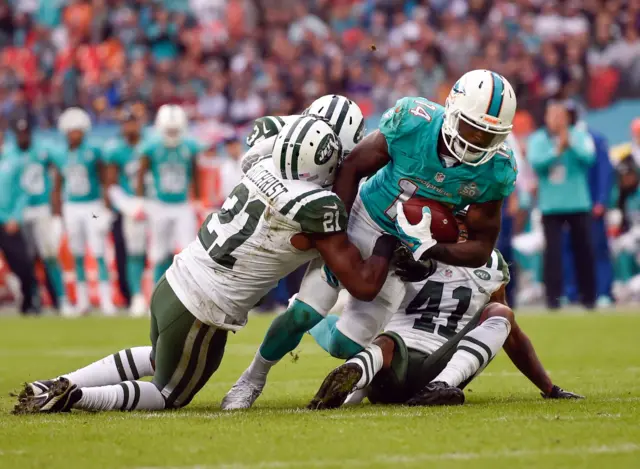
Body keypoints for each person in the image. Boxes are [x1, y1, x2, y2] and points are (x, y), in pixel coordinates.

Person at [13, 116, 400, 414]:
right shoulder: (317, 206)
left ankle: (59, 381)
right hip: (203, 307)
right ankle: (75, 396)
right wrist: (387, 241)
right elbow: (363, 285)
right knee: (169, 394)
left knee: (156, 355)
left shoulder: (259, 168)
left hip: (175, 280)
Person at [222, 70, 519, 410]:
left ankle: (347, 363)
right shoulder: (414, 122)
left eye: (487, 135)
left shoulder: (496, 169)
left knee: (346, 345)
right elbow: (351, 169)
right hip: (364, 217)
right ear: (451, 110)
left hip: (403, 246)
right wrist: (338, 233)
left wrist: (430, 251)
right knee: (306, 312)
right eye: (471, 128)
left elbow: (481, 250)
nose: (476, 141)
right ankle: (253, 378)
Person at [308, 242, 583, 409]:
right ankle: (355, 377)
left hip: (437, 361)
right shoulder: (408, 249)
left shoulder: (491, 262)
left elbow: (508, 331)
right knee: (387, 341)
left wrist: (550, 388)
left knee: (499, 312)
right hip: (395, 365)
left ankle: (364, 376)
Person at [528, 101, 596, 309]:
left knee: (584, 250)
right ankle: (553, 299)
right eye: (553, 116)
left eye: (560, 116)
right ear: (546, 118)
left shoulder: (579, 135)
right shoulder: (539, 139)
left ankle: (589, 297)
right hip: (551, 206)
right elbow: (536, 162)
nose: (556, 120)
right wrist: (557, 150)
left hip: (578, 203)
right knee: (553, 254)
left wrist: (571, 144)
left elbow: (589, 158)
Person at [53, 108, 115, 316]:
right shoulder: (61, 154)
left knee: (98, 252)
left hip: (92, 206)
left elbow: (105, 180)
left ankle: (106, 300)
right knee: (77, 254)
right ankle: (82, 301)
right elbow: (57, 185)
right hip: (71, 206)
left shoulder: (93, 151)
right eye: (71, 131)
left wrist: (105, 207)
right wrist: (57, 214)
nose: (74, 134)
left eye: (78, 130)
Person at [9, 116, 69, 314]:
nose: (23, 137)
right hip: (20, 211)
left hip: (42, 207)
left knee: (50, 256)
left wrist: (56, 195)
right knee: (26, 259)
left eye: (26, 133)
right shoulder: (9, 154)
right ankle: (33, 300)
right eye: (20, 133)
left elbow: (65, 164)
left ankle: (61, 299)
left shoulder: (44, 150)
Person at [137, 104, 201, 284]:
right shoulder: (151, 147)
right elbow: (140, 175)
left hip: (182, 204)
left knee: (188, 252)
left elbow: (195, 174)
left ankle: (186, 294)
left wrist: (196, 199)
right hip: (159, 204)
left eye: (175, 130)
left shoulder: (190, 146)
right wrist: (141, 201)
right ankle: (156, 293)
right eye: (169, 130)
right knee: (158, 253)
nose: (172, 134)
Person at [104, 107, 148, 316]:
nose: (129, 126)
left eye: (132, 122)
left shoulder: (150, 144)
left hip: (153, 204)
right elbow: (111, 184)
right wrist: (128, 206)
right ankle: (134, 296)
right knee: (132, 252)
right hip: (129, 207)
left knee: (159, 253)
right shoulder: (116, 150)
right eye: (125, 122)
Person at [0, 129, 38, 315]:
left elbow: (23, 192)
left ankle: (29, 304)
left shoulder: (13, 161)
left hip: (8, 222)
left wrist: (16, 217)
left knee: (22, 264)